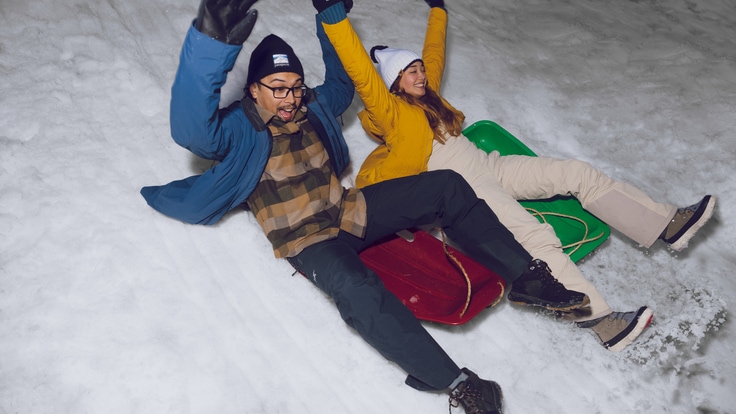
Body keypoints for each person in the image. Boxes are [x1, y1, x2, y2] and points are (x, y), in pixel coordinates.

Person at [140, 0, 591, 412]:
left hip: (348, 211)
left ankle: (527, 276)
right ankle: (457, 383)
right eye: (276, 88)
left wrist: (328, 14)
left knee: (447, 185)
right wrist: (212, 45)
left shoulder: (312, 108)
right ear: (253, 90)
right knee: (358, 290)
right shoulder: (236, 129)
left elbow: (341, 82)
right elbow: (190, 128)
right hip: (307, 239)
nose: (289, 98)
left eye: (295, 87)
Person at [316, 0, 717, 352]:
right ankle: (601, 321)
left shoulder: (429, 95)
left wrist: (437, 9)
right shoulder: (392, 114)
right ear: (394, 85)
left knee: (573, 172)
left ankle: (666, 223)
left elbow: (434, 53)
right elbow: (361, 73)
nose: (420, 75)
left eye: (418, 69)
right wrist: (334, 18)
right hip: (464, 189)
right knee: (531, 235)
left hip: (489, 165)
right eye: (410, 73)